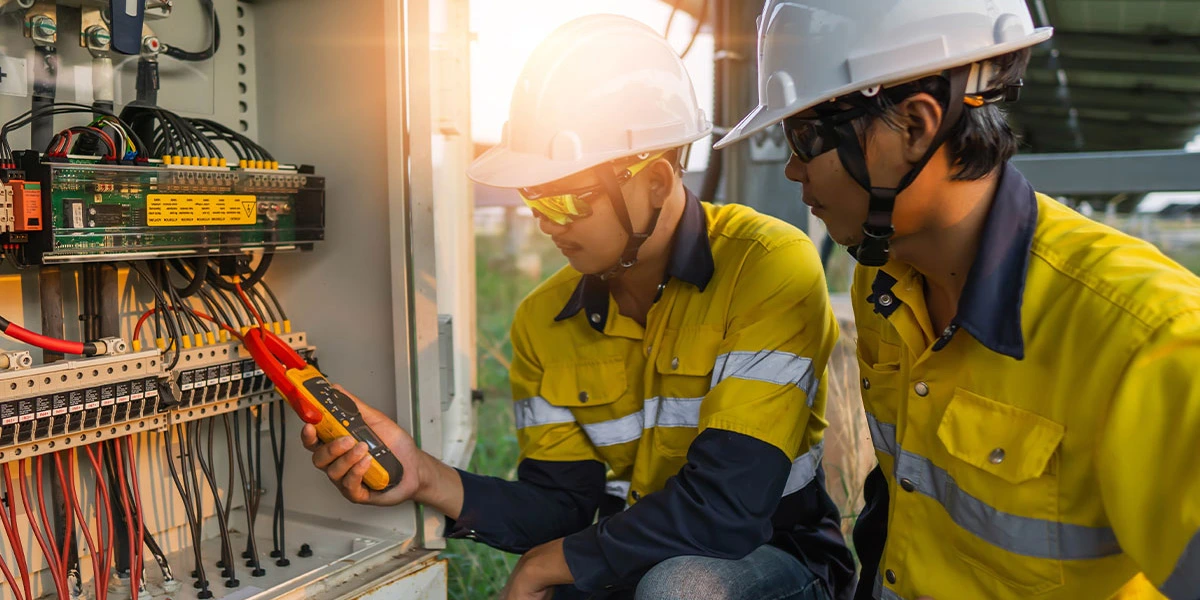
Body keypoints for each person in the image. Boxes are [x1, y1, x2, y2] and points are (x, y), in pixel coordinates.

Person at [300, 13, 855, 600]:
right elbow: (561, 510)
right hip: (642, 554)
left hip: (773, 557)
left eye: (568, 199)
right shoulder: (544, 321)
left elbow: (728, 508)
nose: (545, 223)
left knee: (679, 588)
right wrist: (425, 475)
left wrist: (544, 566)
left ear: (658, 185)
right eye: (534, 197)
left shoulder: (766, 265)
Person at [714, 1, 1200, 599]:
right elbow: (902, 501)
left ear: (914, 127)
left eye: (806, 136)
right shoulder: (884, 283)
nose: (791, 170)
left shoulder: (1149, 339)